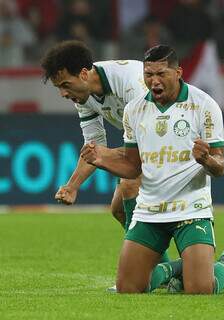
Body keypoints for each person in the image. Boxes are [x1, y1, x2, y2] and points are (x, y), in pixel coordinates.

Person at [80, 45, 224, 294]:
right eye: (149, 75)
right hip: (150, 212)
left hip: (191, 210)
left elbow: (220, 167)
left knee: (200, 291)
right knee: (128, 289)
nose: (154, 81)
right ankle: (177, 269)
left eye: (161, 74)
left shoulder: (204, 105)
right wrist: (101, 160)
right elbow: (132, 166)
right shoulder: (133, 110)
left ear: (178, 72)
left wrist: (206, 161)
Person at [40, 40, 170, 267]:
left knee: (130, 183)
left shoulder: (132, 83)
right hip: (146, 146)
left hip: (173, 143)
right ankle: (165, 270)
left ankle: (148, 270)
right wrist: (72, 186)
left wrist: (104, 154)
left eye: (65, 85)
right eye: (58, 87)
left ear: (82, 74)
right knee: (118, 209)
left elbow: (147, 143)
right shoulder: (82, 95)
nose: (62, 93)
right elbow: (94, 146)